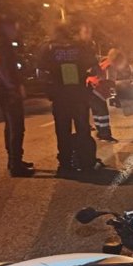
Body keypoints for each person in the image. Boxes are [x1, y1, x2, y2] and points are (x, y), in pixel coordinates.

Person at [39, 23, 99, 175]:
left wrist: (49, 88)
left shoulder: (49, 49)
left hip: (60, 96)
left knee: (62, 130)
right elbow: (94, 67)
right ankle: (86, 162)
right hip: (78, 95)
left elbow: (41, 71)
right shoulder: (79, 47)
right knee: (83, 129)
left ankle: (65, 163)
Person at [0, 13, 34, 177]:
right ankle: (16, 164)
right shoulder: (3, 43)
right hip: (7, 89)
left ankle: (13, 160)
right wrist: (13, 86)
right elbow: (2, 66)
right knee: (17, 126)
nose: (16, 30)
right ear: (5, 26)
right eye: (14, 27)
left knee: (9, 125)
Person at [87, 48, 127, 143]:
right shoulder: (111, 66)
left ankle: (100, 132)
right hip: (98, 91)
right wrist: (120, 86)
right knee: (103, 113)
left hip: (90, 88)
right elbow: (109, 81)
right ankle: (105, 135)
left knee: (97, 113)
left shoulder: (105, 62)